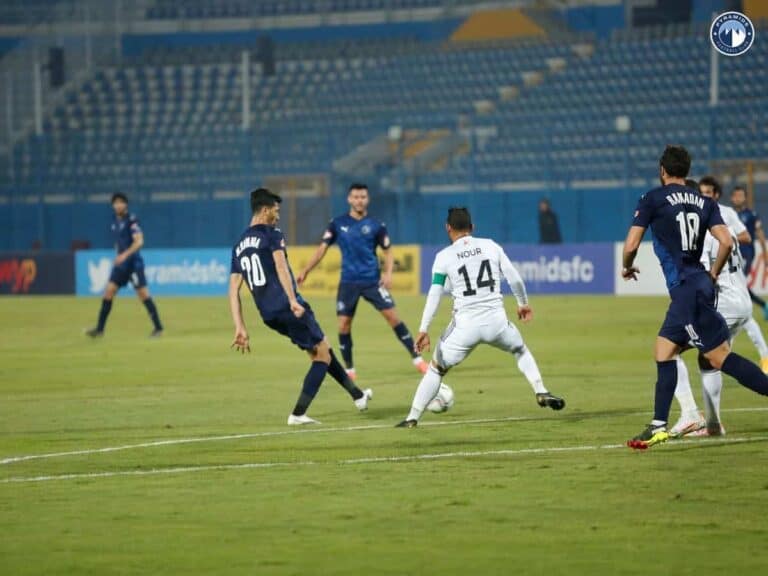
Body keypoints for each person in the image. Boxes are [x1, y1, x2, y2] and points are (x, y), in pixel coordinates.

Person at [621, 146, 768, 449]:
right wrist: (713, 273)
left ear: (662, 170)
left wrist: (627, 266)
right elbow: (726, 241)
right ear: (687, 170)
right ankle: (659, 424)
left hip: (686, 289)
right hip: (698, 284)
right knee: (664, 349)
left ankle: (684, 420)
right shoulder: (705, 201)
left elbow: (632, 244)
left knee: (718, 356)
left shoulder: (652, 198)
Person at [396, 207, 565, 428]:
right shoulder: (490, 246)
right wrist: (522, 303)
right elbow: (514, 278)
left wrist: (423, 328)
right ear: (472, 227)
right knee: (520, 350)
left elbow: (435, 293)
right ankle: (541, 390)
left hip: (465, 327)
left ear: (448, 228)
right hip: (497, 323)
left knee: (436, 369)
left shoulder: (444, 256)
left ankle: (412, 418)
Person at [229, 188, 373, 426]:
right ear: (264, 210)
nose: (278, 216)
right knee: (322, 355)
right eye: (276, 211)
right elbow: (281, 267)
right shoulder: (271, 234)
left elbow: (233, 289)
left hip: (268, 313)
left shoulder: (239, 245)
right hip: (286, 305)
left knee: (321, 348)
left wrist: (240, 326)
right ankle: (298, 413)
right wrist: (293, 300)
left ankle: (357, 395)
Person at [297, 183, 428, 380]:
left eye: (363, 197)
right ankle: (350, 370)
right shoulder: (337, 223)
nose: (359, 200)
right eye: (356, 197)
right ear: (349, 199)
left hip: (372, 281)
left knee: (393, 318)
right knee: (343, 325)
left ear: (368, 199)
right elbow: (322, 249)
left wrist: (388, 273)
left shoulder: (376, 225)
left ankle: (418, 359)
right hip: (348, 282)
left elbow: (388, 251)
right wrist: (306, 270)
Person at [86, 193, 163, 338]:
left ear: (126, 204)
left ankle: (158, 328)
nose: (118, 205)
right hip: (121, 266)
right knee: (108, 292)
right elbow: (119, 242)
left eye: (121, 202)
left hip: (134, 264)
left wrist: (124, 255)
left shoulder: (132, 220)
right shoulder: (114, 222)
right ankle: (100, 330)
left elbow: (139, 242)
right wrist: (118, 254)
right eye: (115, 203)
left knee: (143, 294)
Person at [731, 185, 768, 319]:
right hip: (732, 255)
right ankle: (762, 305)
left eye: (740, 196)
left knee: (738, 283)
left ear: (745, 198)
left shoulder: (751, 215)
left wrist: (765, 254)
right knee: (738, 284)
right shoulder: (729, 215)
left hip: (746, 254)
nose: (738, 198)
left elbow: (760, 234)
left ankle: (746, 312)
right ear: (732, 198)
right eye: (736, 196)